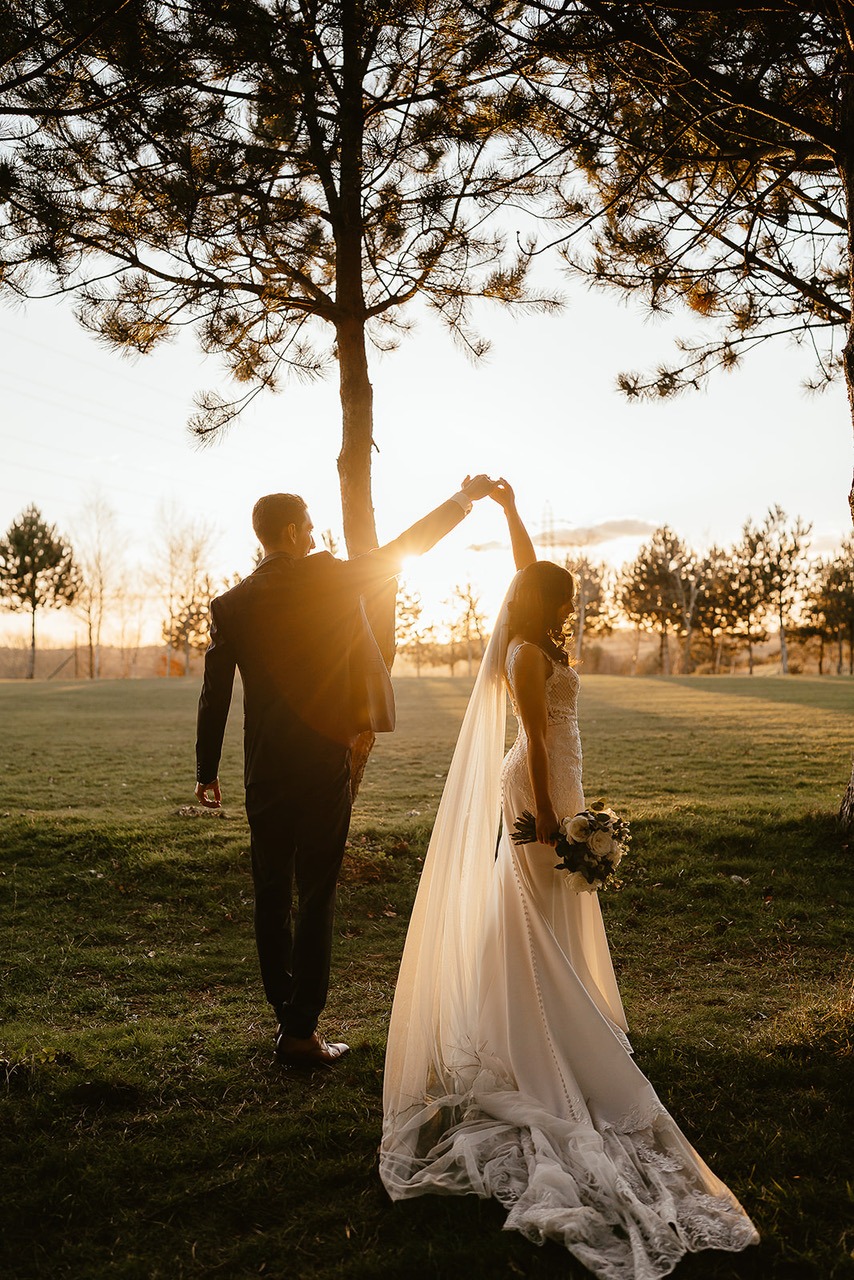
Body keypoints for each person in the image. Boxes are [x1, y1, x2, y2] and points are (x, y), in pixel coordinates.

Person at [380, 481, 759, 1279]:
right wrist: (557, 826)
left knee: (547, 908)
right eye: (566, 597)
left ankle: (554, 1008)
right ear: (544, 603)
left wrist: (511, 511)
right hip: (540, 788)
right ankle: (535, 1029)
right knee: (533, 899)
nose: (572, 605)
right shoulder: (522, 654)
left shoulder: (538, 634)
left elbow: (529, 575)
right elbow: (535, 738)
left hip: (566, 782)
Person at [194, 475, 497, 1069]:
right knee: (317, 894)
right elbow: (404, 548)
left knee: (271, 894)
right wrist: (463, 500)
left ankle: (287, 1018)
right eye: (308, 527)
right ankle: (301, 1031)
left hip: (263, 770)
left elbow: (214, 694)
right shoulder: (327, 576)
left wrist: (207, 770)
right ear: (291, 531)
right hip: (321, 764)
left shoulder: (230, 604)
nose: (314, 536)